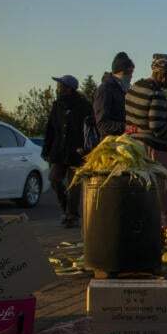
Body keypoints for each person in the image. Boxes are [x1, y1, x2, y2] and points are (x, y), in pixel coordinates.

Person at [124, 53, 167, 230]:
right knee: (159, 195)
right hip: (152, 152)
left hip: (133, 148)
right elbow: (158, 127)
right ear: (163, 74)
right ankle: (159, 233)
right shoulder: (156, 94)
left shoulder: (135, 88)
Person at [41, 75, 94, 228]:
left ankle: (72, 215)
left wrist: (87, 148)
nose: (58, 89)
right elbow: (51, 128)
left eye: (61, 86)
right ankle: (65, 209)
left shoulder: (83, 106)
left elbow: (89, 130)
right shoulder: (57, 105)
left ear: (69, 89)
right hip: (59, 151)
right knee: (54, 179)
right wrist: (47, 149)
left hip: (77, 151)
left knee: (74, 186)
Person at [94, 51, 135, 139]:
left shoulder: (124, 89)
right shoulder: (105, 89)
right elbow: (102, 124)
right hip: (111, 144)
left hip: (125, 141)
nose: (131, 76)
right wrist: (126, 127)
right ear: (120, 71)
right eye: (128, 72)